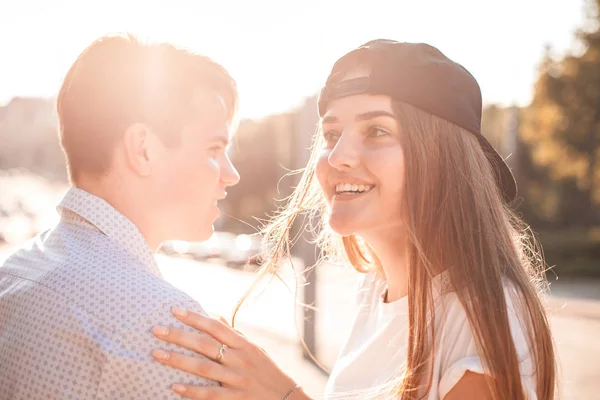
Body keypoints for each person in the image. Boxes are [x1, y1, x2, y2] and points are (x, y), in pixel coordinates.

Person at [149, 39, 557, 399]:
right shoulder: (376, 291)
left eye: (377, 131)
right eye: (330, 135)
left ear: (441, 160)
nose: (337, 156)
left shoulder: (488, 315)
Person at [0, 33, 241, 399]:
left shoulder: (14, 273)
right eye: (214, 148)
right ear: (142, 149)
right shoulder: (166, 324)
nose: (230, 173)